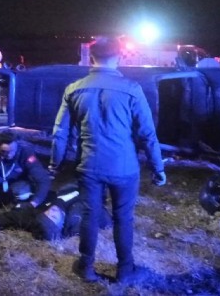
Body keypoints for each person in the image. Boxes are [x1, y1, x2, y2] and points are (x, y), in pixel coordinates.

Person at [50, 36, 166, 284]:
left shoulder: (74, 89)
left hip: (89, 166)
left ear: (91, 57)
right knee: (124, 218)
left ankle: (87, 267)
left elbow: (60, 133)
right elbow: (147, 133)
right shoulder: (132, 89)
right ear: (119, 57)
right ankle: (125, 271)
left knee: (90, 216)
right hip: (124, 167)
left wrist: (54, 163)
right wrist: (158, 167)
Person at [0, 183, 112, 241]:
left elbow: (2, 219)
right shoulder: (77, 216)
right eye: (53, 216)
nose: (51, 212)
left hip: (56, 200)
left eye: (50, 214)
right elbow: (106, 219)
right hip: (81, 194)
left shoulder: (32, 217)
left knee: (11, 211)